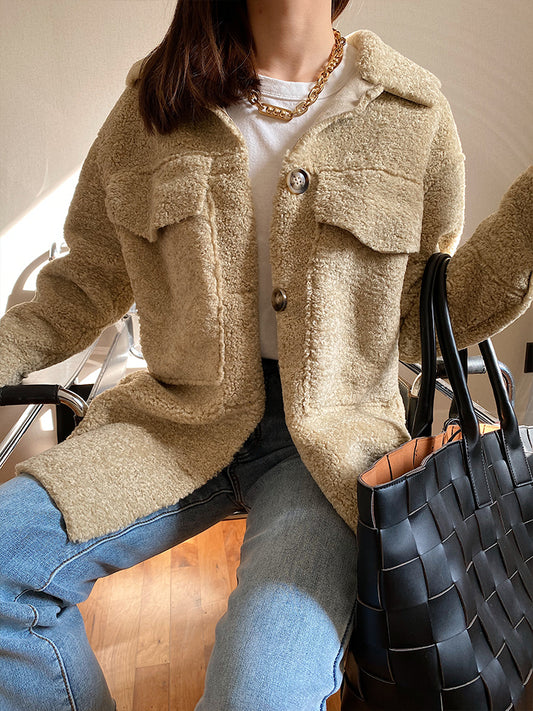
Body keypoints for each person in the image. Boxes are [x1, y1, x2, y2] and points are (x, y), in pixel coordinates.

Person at [0, 1, 531, 709]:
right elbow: (83, 281)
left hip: (331, 447)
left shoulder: (412, 112)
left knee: (258, 694)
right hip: (172, 422)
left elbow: (422, 319)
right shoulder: (156, 103)